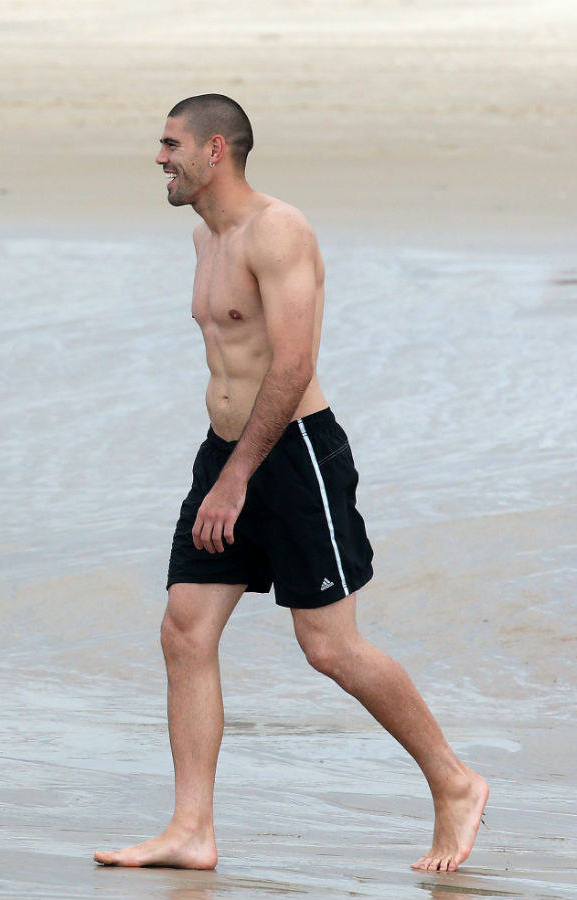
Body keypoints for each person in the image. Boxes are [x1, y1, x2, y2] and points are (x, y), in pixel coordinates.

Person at [94, 95, 489, 873]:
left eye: (171, 143)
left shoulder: (278, 230)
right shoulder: (206, 236)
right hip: (228, 452)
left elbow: (293, 362)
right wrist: (225, 465)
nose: (160, 157)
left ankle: (455, 781)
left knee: (330, 647)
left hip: (294, 453)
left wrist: (237, 478)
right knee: (185, 629)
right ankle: (191, 830)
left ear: (215, 151)